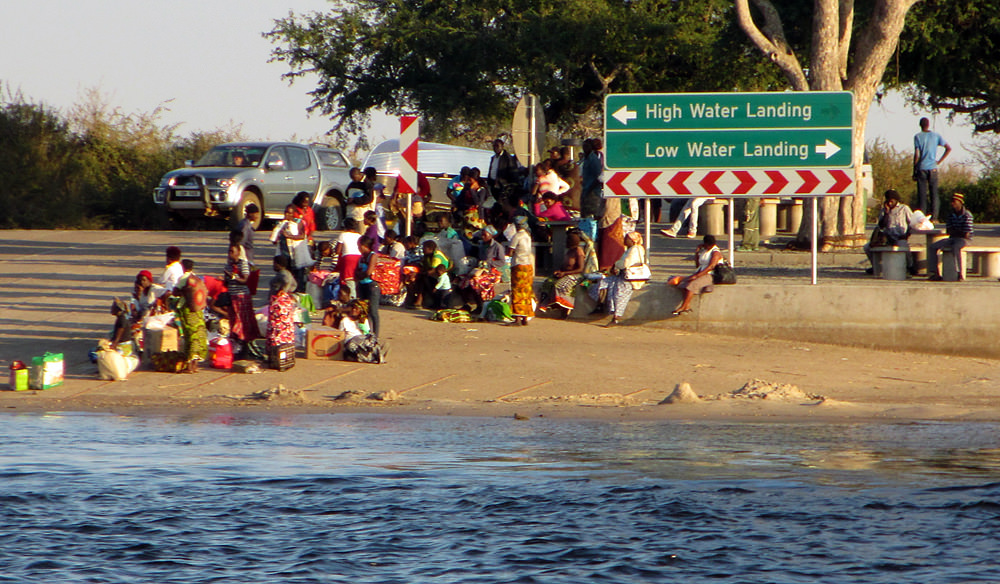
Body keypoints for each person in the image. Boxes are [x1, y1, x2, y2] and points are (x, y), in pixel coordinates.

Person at [589, 231, 647, 327]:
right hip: (621, 276)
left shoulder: (636, 249)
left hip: (629, 278)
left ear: (632, 240)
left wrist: (616, 265)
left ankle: (615, 318)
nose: (624, 240)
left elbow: (626, 263)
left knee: (618, 294)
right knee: (602, 283)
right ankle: (600, 305)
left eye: (627, 238)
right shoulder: (630, 249)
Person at [540, 229, 599, 317]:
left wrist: (565, 273)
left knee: (560, 285)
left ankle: (566, 309)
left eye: (568, 240)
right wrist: (559, 271)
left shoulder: (578, 252)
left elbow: (580, 269)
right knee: (548, 282)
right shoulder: (569, 251)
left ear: (572, 242)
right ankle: (547, 305)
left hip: (576, 275)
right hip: (566, 273)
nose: (566, 242)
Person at [864, 189, 914, 274]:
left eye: (892, 201)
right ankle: (876, 266)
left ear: (896, 200)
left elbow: (912, 222)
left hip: (900, 237)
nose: (890, 203)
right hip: (887, 237)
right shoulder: (884, 210)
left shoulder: (904, 208)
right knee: (867, 247)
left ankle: (910, 266)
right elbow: (881, 225)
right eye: (888, 201)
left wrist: (907, 234)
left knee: (903, 246)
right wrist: (887, 213)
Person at [672, 235, 724, 315]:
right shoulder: (704, 251)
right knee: (683, 283)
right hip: (699, 272)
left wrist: (697, 276)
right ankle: (687, 306)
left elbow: (711, 266)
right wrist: (697, 253)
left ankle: (683, 306)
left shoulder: (715, 252)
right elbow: (697, 265)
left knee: (692, 285)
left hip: (709, 274)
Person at [913, 117, 952, 222]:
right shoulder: (936, 136)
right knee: (934, 194)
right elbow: (948, 148)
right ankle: (934, 218)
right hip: (933, 168)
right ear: (928, 125)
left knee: (922, 195)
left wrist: (914, 170)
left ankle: (922, 218)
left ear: (920, 125)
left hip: (922, 168)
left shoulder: (917, 137)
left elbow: (916, 155)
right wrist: (939, 161)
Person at [929, 193, 973, 281]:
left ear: (960, 202)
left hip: (964, 240)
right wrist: (957, 232)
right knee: (932, 247)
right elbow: (949, 231)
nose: (952, 204)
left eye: (954, 202)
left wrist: (956, 232)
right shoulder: (950, 215)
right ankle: (935, 273)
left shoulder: (967, 215)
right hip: (952, 238)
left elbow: (966, 233)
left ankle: (959, 273)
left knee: (956, 247)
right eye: (952, 202)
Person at [173, 260, 208, 373]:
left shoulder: (183, 279)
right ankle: (195, 365)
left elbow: (175, 292)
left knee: (189, 335)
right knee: (198, 335)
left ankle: (189, 366)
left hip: (187, 309)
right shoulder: (196, 278)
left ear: (183, 267)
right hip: (197, 311)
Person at [224, 242, 261, 347]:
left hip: (241, 296)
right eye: (229, 251)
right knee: (234, 320)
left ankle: (244, 342)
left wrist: (233, 277)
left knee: (242, 320)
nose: (230, 254)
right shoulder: (228, 265)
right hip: (232, 296)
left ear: (238, 252)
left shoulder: (243, 264)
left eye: (232, 251)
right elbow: (227, 282)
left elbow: (245, 280)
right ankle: (238, 343)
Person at [507, 215, 535, 326]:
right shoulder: (527, 236)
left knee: (517, 290)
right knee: (526, 291)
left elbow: (510, 252)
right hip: (528, 265)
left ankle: (517, 318)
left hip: (519, 265)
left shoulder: (517, 236)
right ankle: (525, 317)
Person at [267, 255, 298, 352]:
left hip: (279, 304)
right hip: (285, 304)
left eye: (274, 263)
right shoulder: (288, 273)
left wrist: (282, 291)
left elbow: (286, 281)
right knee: (284, 326)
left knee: (277, 326)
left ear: (279, 264)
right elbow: (295, 284)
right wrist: (288, 292)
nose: (273, 265)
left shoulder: (282, 273)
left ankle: (276, 347)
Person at [355, 235, 382, 336]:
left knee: (373, 312)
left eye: (359, 246)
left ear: (364, 246)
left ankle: (375, 335)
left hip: (372, 286)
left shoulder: (372, 256)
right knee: (363, 311)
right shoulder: (361, 258)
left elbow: (368, 272)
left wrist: (360, 275)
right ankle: (366, 333)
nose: (358, 248)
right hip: (362, 285)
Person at [334, 217, 363, 297]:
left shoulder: (343, 235)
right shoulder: (359, 235)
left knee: (349, 282)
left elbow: (338, 251)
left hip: (348, 259)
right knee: (355, 280)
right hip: (359, 258)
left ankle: (352, 300)